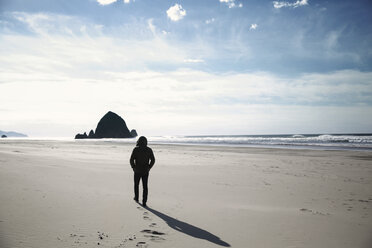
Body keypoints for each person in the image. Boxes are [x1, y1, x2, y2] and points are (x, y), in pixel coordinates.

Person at [130, 136, 155, 207]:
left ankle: (136, 198)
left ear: (138, 141)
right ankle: (144, 202)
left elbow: (131, 159)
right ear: (146, 142)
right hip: (145, 170)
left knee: (136, 185)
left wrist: (133, 167)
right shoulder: (149, 150)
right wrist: (149, 167)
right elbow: (153, 160)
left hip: (137, 170)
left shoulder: (136, 149)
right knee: (145, 186)